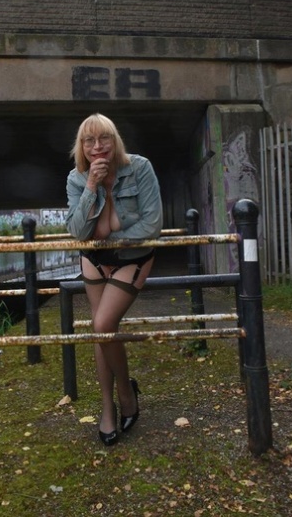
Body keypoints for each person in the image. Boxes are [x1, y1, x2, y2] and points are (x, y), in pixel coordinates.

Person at [66, 113, 163, 446]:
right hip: (94, 258)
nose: (97, 147)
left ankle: (125, 391)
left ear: (115, 139)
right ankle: (108, 407)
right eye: (88, 141)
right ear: (81, 146)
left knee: (104, 324)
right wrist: (91, 187)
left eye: (103, 138)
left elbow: (151, 225)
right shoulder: (76, 179)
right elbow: (79, 232)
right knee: (101, 330)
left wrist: (112, 237)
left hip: (132, 257)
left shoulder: (140, 168)